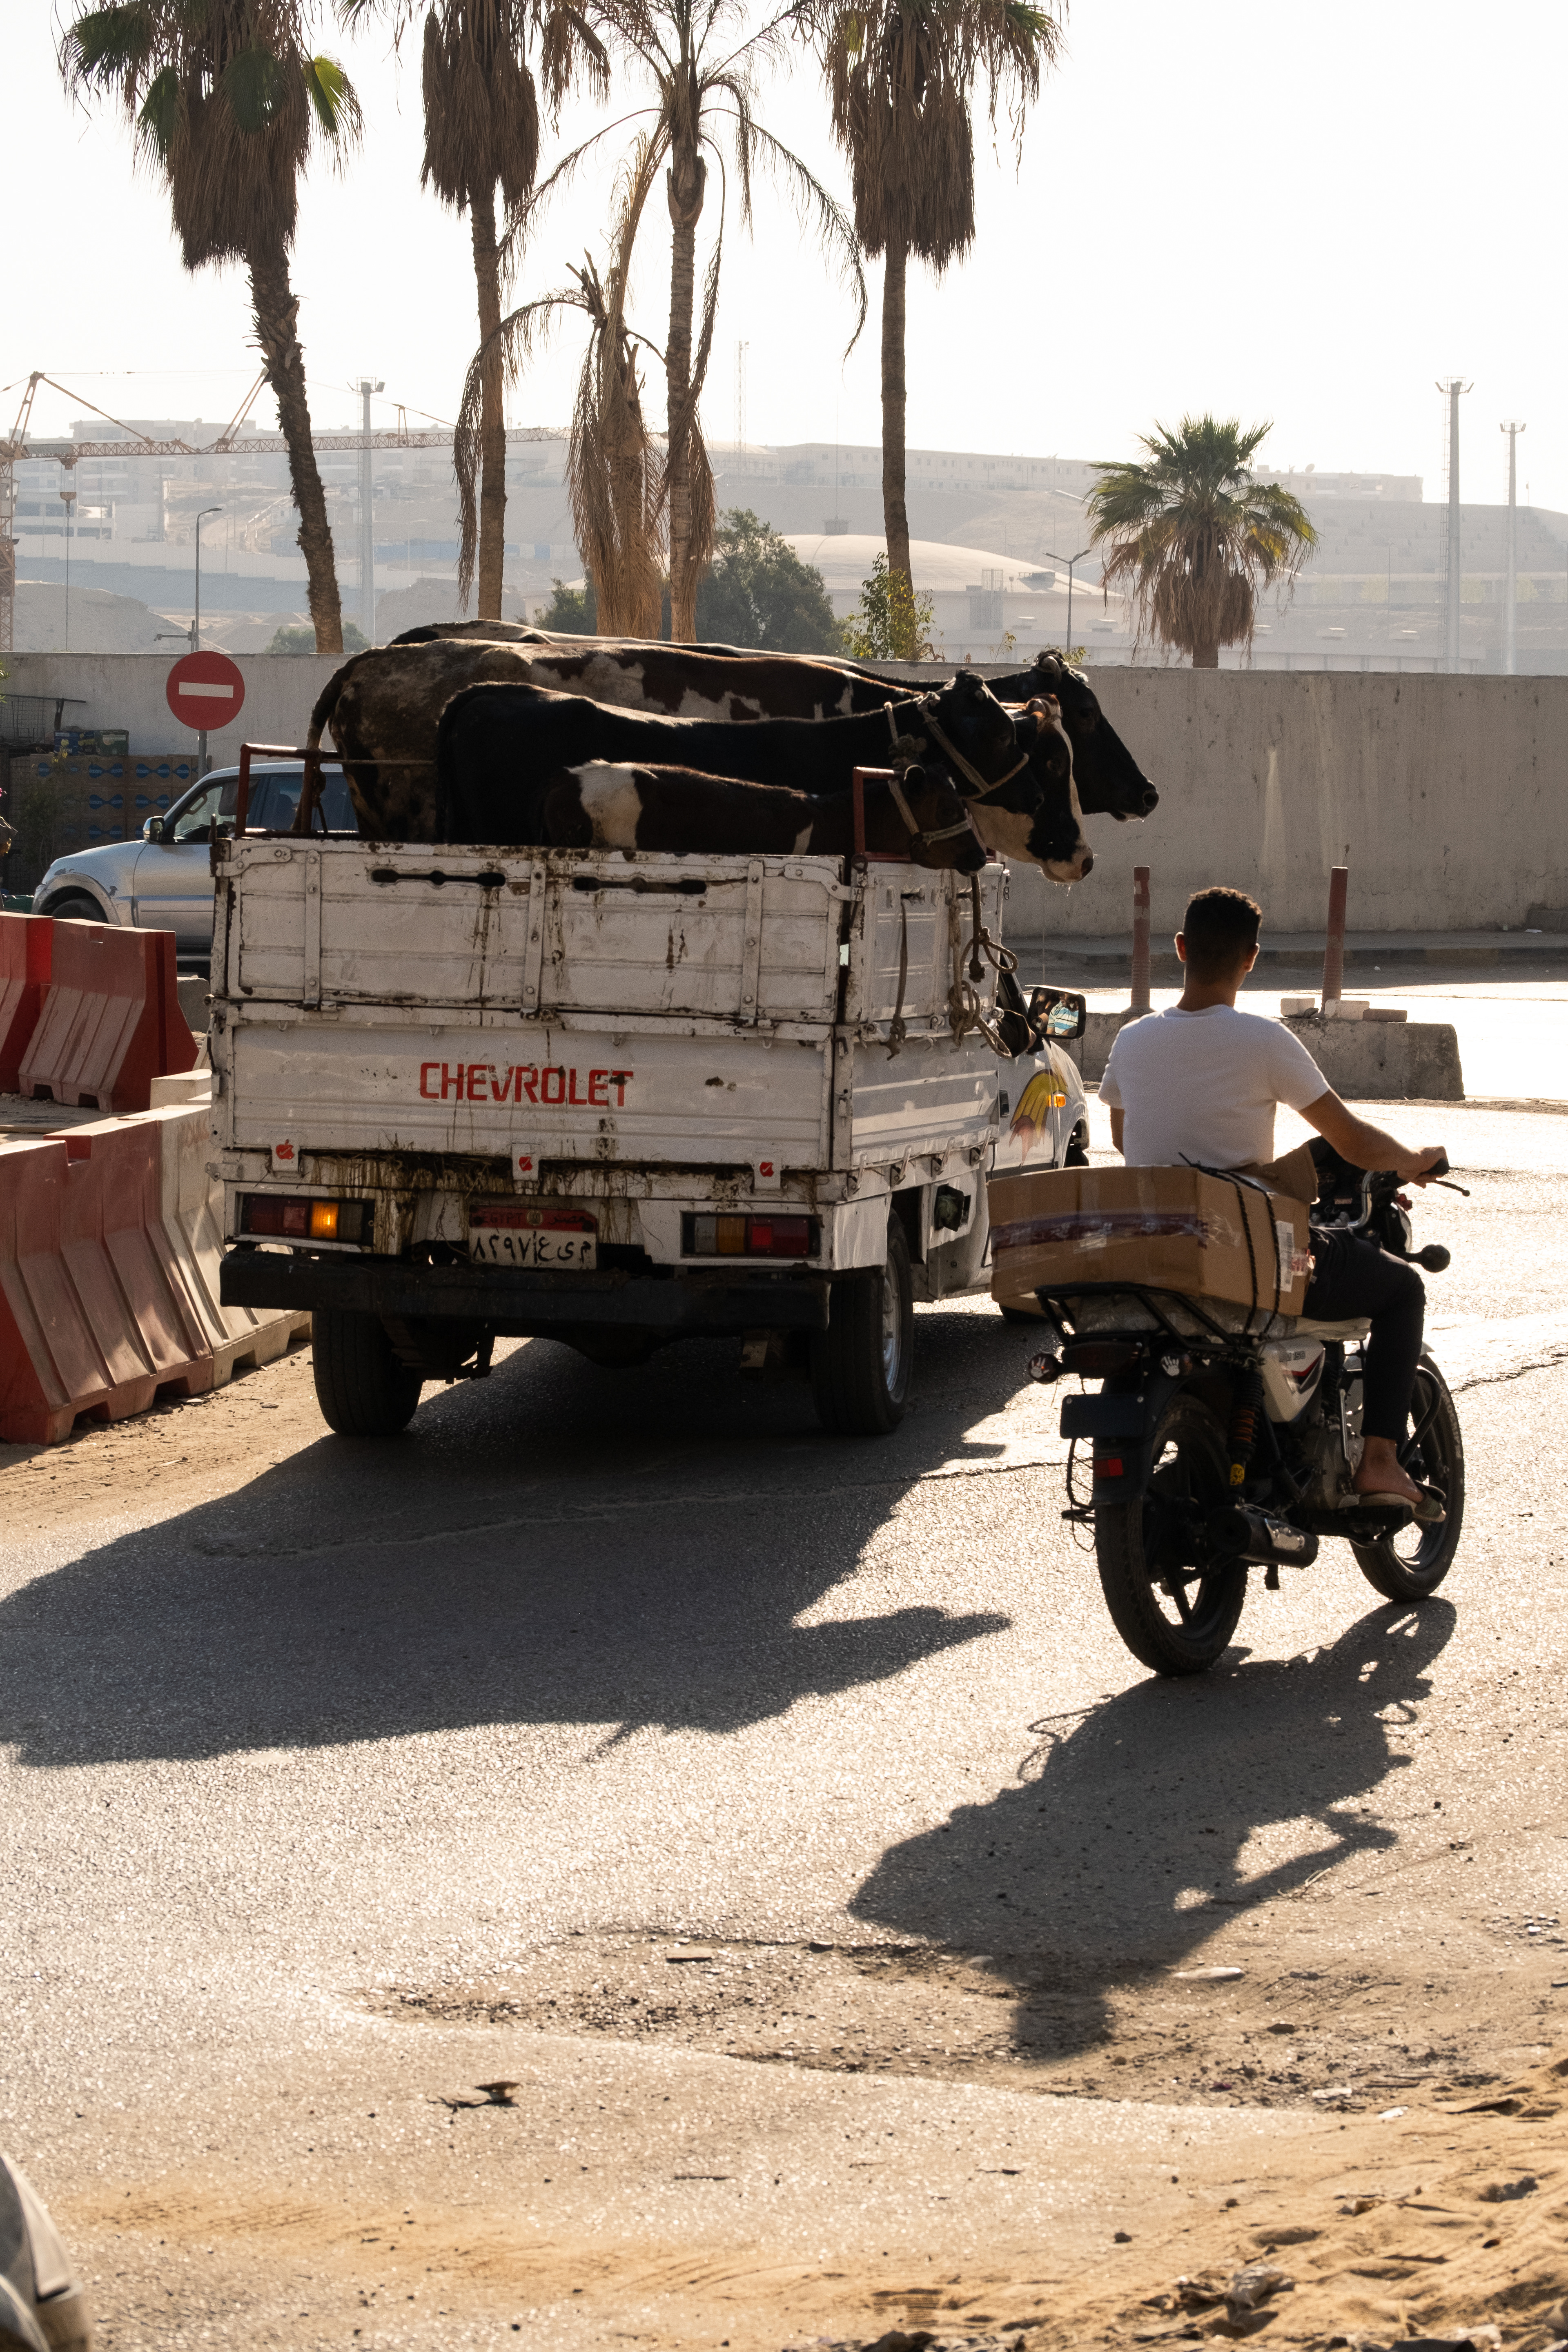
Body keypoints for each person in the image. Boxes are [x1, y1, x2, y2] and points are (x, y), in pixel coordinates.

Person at [1098, 885, 1447, 1517]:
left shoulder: (1132, 1039)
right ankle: (1379, 1460)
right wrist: (1412, 1159)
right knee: (1403, 1289)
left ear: (1180, 948)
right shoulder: (1263, 1039)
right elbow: (1351, 1140)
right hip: (1249, 1253)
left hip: (1155, 1250)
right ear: (1252, 959)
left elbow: (1125, 1140)